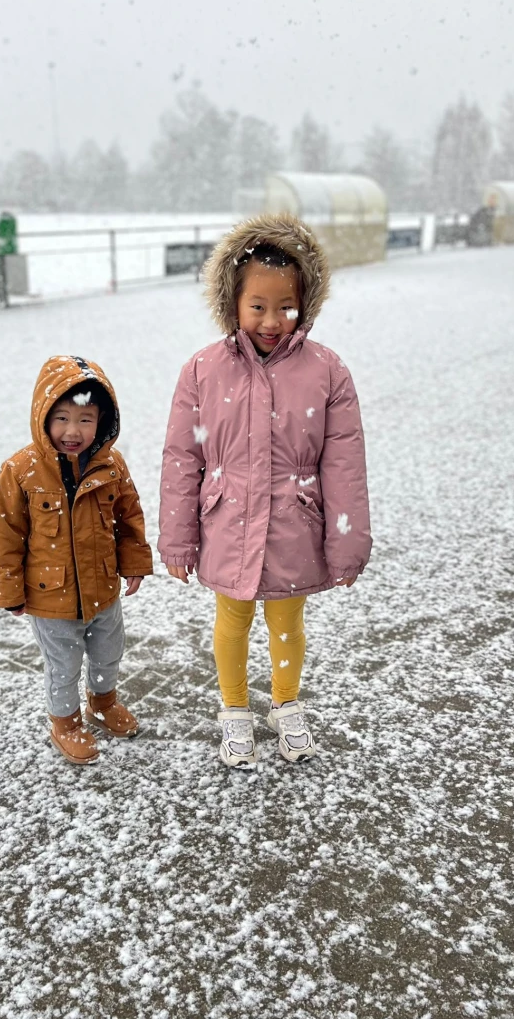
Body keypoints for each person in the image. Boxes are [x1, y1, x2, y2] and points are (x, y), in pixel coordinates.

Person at [158, 214, 371, 768]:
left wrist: (347, 542)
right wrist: (177, 538)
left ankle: (285, 703)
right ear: (233, 302)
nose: (272, 320)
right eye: (258, 306)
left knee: (287, 622)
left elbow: (343, 463)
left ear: (307, 302)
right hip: (227, 519)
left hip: (294, 523)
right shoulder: (203, 371)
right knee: (232, 620)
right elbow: (185, 457)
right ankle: (234, 710)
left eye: (286, 306)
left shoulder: (327, 371)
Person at [0, 355, 153, 765]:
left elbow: (128, 516)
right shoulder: (21, 470)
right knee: (63, 665)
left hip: (103, 589)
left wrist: (133, 561)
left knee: (108, 652)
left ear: (103, 420)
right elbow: (7, 533)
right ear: (42, 416)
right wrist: (9, 590)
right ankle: (65, 723)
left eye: (85, 419)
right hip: (51, 597)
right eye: (61, 418)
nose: (72, 431)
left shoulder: (111, 465)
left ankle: (103, 702)